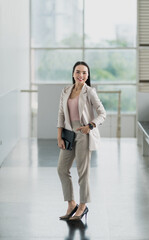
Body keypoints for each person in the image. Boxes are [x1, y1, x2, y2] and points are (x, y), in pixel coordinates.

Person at [57, 61, 106, 221]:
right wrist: (59, 136)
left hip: (84, 133)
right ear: (73, 74)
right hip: (68, 132)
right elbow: (61, 115)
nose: (81, 75)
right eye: (78, 72)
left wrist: (90, 126)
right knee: (62, 169)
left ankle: (83, 206)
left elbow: (102, 113)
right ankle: (71, 204)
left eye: (84, 73)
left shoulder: (90, 92)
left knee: (82, 172)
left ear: (88, 75)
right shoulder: (65, 91)